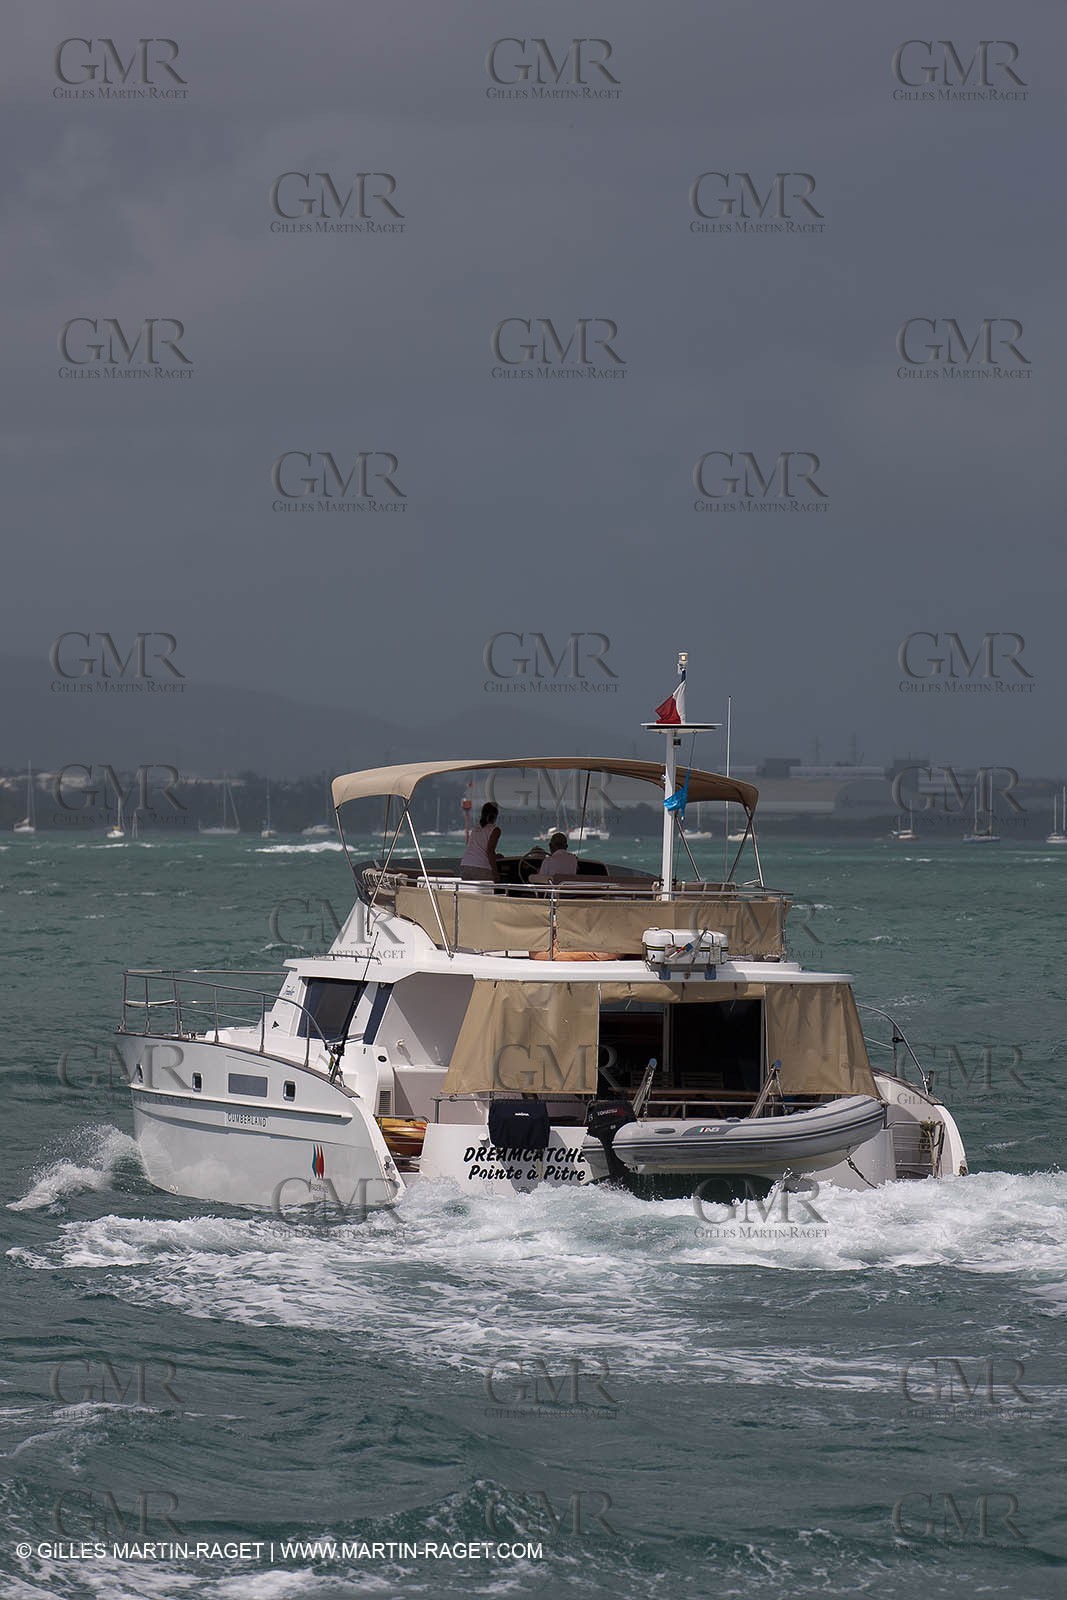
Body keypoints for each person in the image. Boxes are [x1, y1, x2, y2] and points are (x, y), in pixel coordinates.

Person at [460, 802, 501, 881]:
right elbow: (490, 851)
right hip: (481, 867)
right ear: (495, 816)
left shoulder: (475, 829)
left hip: (465, 865)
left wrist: (495, 856)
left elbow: (479, 849)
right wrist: (496, 874)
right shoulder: (495, 830)